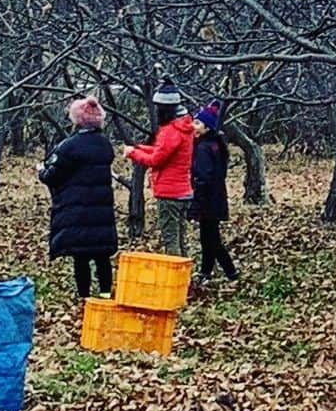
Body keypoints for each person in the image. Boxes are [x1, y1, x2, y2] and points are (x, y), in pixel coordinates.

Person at [39, 96, 118, 298]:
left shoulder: (69, 147)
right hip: (101, 211)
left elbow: (52, 175)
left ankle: (84, 296)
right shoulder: (105, 145)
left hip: (77, 210)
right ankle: (105, 295)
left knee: (80, 256)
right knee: (102, 256)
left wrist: (42, 171)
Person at [125, 78, 195, 257]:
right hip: (183, 191)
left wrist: (133, 153)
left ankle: (175, 280)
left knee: (171, 240)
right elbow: (162, 152)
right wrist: (139, 147)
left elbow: (156, 159)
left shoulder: (170, 131)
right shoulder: (184, 128)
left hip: (169, 194)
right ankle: (184, 276)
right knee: (180, 238)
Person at [188, 99, 238, 284]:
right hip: (216, 198)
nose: (194, 125)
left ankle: (230, 271)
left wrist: (196, 205)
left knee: (211, 240)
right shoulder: (216, 146)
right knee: (208, 237)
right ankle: (206, 272)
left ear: (207, 128)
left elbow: (202, 179)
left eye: (198, 123)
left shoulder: (202, 148)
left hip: (208, 201)